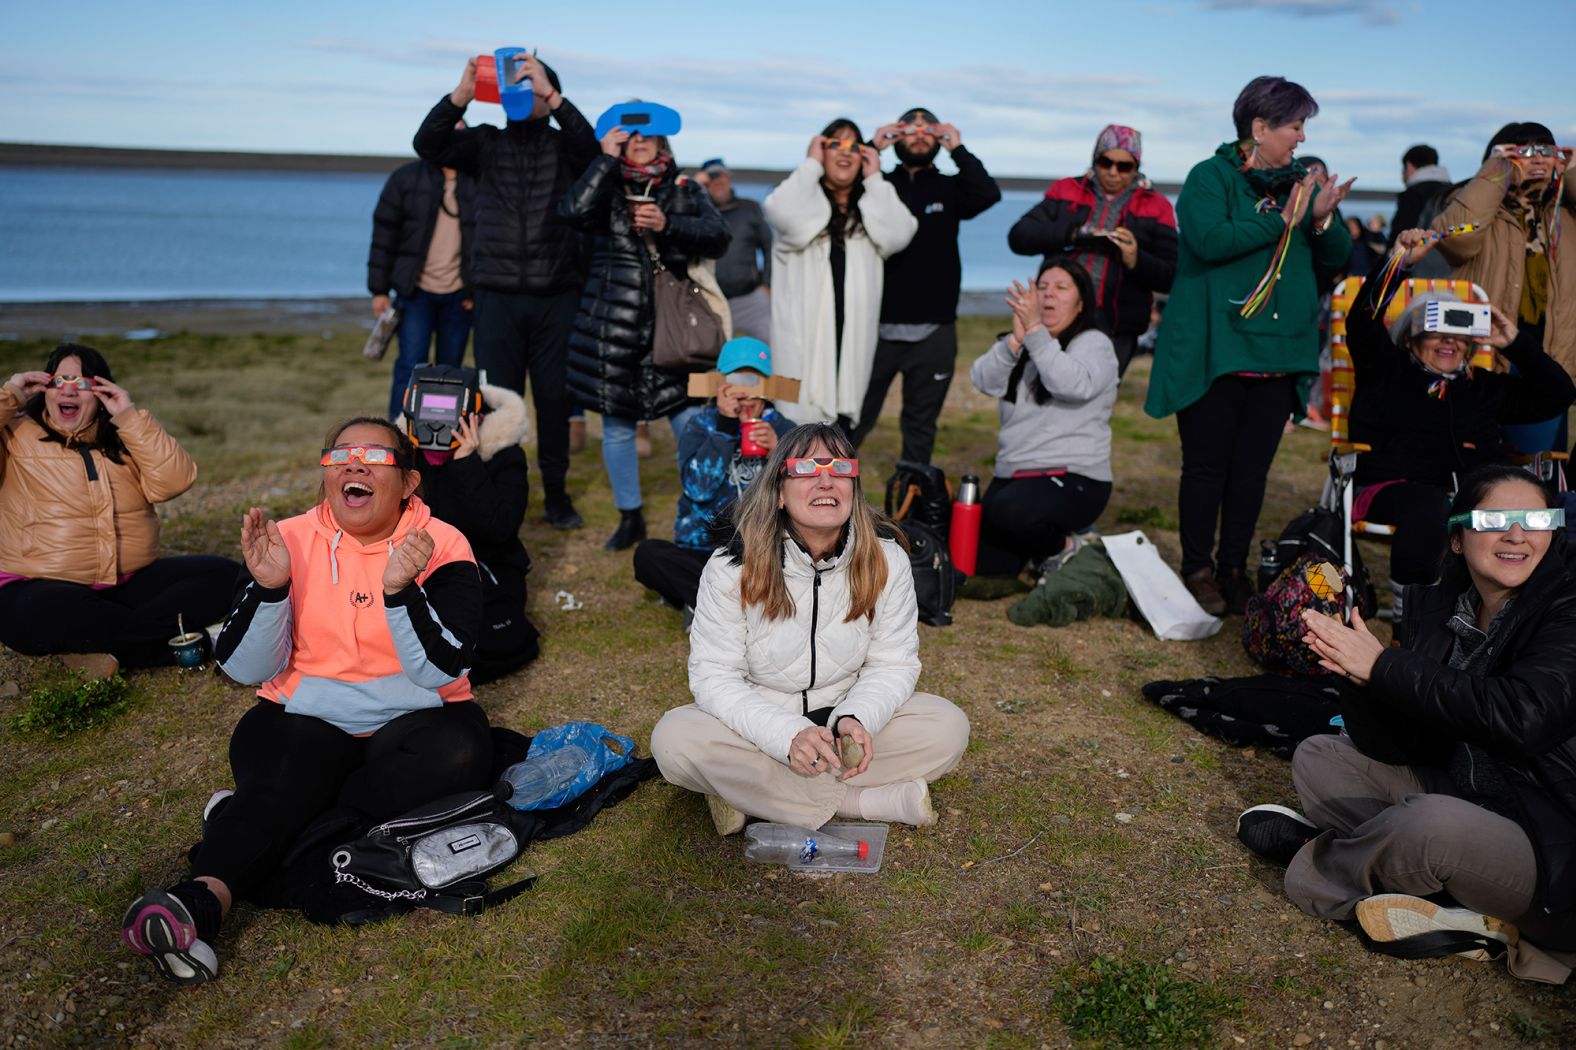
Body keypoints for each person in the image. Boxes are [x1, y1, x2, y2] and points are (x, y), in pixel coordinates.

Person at [119, 417, 489, 984]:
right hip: (306, 716)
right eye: (340, 454)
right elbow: (244, 669)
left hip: (417, 716)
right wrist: (270, 588)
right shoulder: (288, 538)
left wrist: (399, 592)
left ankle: (249, 819)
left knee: (462, 754)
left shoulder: (441, 543)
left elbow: (444, 666)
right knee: (289, 766)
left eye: (373, 455)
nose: (354, 463)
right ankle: (199, 900)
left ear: (410, 482)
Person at [1237, 465, 1576, 984]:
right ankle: (1448, 905)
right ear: (1459, 538)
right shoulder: (1444, 609)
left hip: (1552, 849)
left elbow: (1523, 717)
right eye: (1495, 520)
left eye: (1535, 518)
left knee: (1430, 824)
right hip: (1473, 797)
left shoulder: (1567, 608)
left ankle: (1317, 862)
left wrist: (1385, 667)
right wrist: (1361, 678)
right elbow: (1407, 743)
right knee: (1321, 755)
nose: (1516, 534)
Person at [650, 422, 970, 835]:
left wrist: (858, 720)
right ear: (779, 492)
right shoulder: (731, 568)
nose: (826, 480)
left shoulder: (887, 560)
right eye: (806, 468)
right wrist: (786, 736)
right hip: (763, 721)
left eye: (840, 469)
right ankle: (862, 801)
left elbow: (893, 664)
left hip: (845, 713)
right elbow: (715, 677)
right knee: (675, 742)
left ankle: (749, 796)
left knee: (947, 727)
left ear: (853, 488)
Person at [1144, 76, 1354, 616]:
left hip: (1277, 357)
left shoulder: (1301, 187)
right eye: (1294, 125)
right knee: (1206, 468)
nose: (1301, 137)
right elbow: (1210, 240)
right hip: (1217, 352)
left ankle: (1233, 568)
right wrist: (1284, 222)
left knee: (1250, 473)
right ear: (1259, 128)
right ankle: (1198, 568)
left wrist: (1323, 216)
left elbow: (1334, 261)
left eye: (1304, 126)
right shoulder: (1209, 177)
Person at [1342, 232, 1576, 619]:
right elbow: (1363, 321)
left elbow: (1559, 394)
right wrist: (1400, 263)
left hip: (1477, 493)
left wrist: (1515, 343)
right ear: (1411, 337)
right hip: (1398, 488)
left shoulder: (1482, 387)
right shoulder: (1385, 370)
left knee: (1556, 508)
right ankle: (1412, 621)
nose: (1449, 342)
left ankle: (1531, 616)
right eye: (1437, 330)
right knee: (1431, 508)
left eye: (1460, 333)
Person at [414, 52, 601, 531]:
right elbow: (427, 144)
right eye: (516, 86)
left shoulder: (565, 147)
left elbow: (594, 154)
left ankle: (557, 497)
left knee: (555, 400)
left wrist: (553, 94)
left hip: (556, 295)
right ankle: (503, 490)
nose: (524, 93)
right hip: (496, 296)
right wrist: (462, 94)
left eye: (532, 85)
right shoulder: (484, 143)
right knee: (500, 401)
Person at [0, 345, 238, 677]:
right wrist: (11, 394)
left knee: (225, 576)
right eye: (59, 380)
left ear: (100, 392)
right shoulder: (14, 434)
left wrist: (127, 415)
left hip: (127, 583)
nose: (69, 389)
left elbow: (175, 481)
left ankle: (99, 646)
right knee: (50, 613)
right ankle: (181, 646)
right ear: (44, 388)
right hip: (37, 587)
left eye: (81, 383)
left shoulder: (122, 438)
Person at [560, 110, 731, 552]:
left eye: (647, 135)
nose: (638, 140)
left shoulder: (684, 188)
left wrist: (668, 225)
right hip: (611, 327)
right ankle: (629, 517)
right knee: (616, 426)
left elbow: (718, 237)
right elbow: (572, 212)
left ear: (662, 142)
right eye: (629, 134)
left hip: (675, 328)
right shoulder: (602, 183)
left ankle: (703, 508)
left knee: (691, 421)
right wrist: (603, 161)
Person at [851, 107, 1001, 464]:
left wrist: (958, 149)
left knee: (920, 427)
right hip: (876, 327)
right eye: (910, 130)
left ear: (940, 138)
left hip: (934, 329)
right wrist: (872, 144)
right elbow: (839, 187)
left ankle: (913, 506)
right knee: (853, 419)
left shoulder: (950, 188)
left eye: (928, 130)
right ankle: (822, 491)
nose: (919, 136)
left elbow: (988, 193)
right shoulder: (878, 185)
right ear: (896, 137)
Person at [764, 120, 918, 433]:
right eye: (835, 144)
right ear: (821, 151)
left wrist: (875, 179)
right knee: (794, 426)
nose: (845, 153)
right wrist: (810, 164)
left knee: (842, 429)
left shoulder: (869, 208)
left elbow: (900, 233)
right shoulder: (801, 199)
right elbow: (779, 211)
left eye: (854, 147)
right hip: (802, 337)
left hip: (850, 337)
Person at [1433, 122, 1576, 457]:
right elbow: (1456, 239)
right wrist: (1496, 174)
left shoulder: (1564, 213)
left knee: (1538, 469)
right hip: (1483, 355)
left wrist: (1571, 172)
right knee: (1476, 464)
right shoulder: (1472, 199)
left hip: (1544, 360)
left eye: (1545, 150)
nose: (1535, 158)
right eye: (1522, 151)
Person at [969, 261, 1118, 579]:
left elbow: (1072, 386)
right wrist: (1014, 341)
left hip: (1075, 477)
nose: (1048, 295)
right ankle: (1044, 552)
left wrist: (1036, 333)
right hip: (1014, 476)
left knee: (1009, 512)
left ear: (1080, 304)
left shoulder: (1094, 343)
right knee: (985, 566)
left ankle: (1069, 545)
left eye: (1061, 288)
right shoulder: (1024, 342)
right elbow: (983, 379)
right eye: (1043, 287)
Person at [633, 337, 796, 618]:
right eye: (736, 381)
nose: (744, 393)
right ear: (721, 384)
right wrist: (723, 429)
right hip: (704, 545)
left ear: (767, 387)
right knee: (648, 556)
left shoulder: (784, 428)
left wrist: (777, 453)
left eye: (753, 381)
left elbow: (800, 497)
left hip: (761, 543)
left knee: (792, 564)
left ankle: (705, 601)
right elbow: (697, 490)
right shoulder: (700, 425)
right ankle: (721, 602)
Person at [1008, 124, 1176, 379]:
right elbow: (1019, 238)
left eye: (1124, 166)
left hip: (1117, 325)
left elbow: (1171, 275)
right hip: (1055, 318)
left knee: (1094, 400)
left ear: (1136, 166)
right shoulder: (1065, 190)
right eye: (1105, 162)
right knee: (1042, 394)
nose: (1112, 172)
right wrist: (1073, 233)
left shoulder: (1157, 206)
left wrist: (1135, 259)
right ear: (1095, 160)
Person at [405, 369, 541, 682]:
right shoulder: (406, 455)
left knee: (471, 648)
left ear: (475, 413)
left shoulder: (504, 455)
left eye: (448, 408)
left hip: (487, 567)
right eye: (429, 407)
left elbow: (501, 529)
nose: (437, 419)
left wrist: (466, 462)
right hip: (419, 566)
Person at [367, 157, 476, 421]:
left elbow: (490, 238)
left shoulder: (477, 179)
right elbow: (384, 234)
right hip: (414, 291)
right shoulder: (406, 178)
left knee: (449, 373)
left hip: (461, 295)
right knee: (410, 366)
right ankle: (399, 432)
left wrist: (476, 290)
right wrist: (379, 290)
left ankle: (442, 436)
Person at [698, 158, 773, 341]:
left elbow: (770, 246)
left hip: (750, 298)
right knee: (711, 358)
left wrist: (767, 285)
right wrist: (695, 186)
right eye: (711, 178)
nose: (717, 181)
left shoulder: (750, 208)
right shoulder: (698, 213)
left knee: (773, 349)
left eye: (720, 175)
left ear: (729, 178)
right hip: (712, 301)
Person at [1387, 144, 1453, 278]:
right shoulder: (1453, 192)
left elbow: (1400, 235)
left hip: (1418, 275)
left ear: (1409, 166)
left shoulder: (1412, 195)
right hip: (1450, 271)